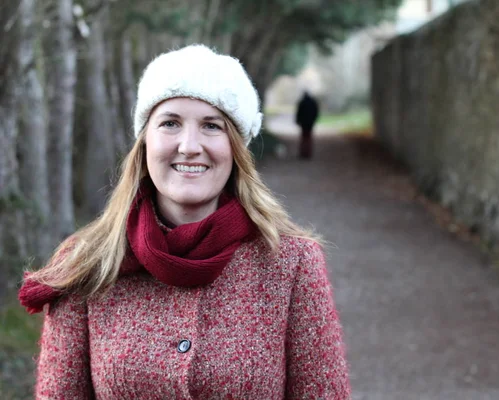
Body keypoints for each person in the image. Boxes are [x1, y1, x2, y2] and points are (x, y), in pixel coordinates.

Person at [18, 44, 350, 399]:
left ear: (236, 148)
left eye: (211, 126)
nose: (189, 145)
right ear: (145, 142)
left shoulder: (290, 265)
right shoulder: (87, 263)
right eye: (170, 123)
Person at [295, 91, 320, 159]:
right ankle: (308, 153)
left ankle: (303, 153)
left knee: (304, 138)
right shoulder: (313, 102)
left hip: (303, 123)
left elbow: (298, 113)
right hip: (310, 123)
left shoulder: (302, 102)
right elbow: (316, 112)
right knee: (309, 138)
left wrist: (298, 121)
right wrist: (314, 119)